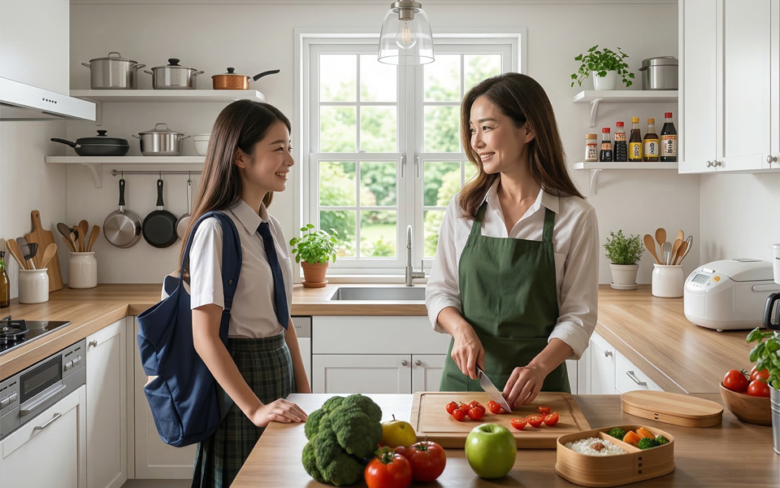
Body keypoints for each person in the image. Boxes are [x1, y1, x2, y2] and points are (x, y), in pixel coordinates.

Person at [426, 73, 599, 409]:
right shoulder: (463, 209)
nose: (476, 142)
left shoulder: (575, 216)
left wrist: (538, 367)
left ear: (528, 130)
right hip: (466, 385)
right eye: (473, 130)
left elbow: (578, 316)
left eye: (487, 127)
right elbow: (439, 291)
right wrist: (461, 331)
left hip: (541, 390)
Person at [183, 100, 310, 488]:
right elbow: (204, 337)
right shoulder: (215, 231)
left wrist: (305, 392)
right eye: (278, 148)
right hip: (240, 382)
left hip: (279, 366)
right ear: (240, 157)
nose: (289, 159)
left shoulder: (269, 227)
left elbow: (281, 315)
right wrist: (254, 409)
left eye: (289, 147)